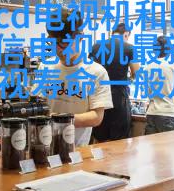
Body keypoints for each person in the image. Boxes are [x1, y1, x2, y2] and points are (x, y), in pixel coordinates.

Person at [43, 8, 114, 146]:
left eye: (64, 42)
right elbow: (40, 104)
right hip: (45, 145)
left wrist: (60, 119)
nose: (58, 49)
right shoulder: (45, 67)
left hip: (77, 149)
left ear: (80, 37)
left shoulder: (96, 72)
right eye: (52, 42)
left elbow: (96, 117)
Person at [90, 23, 139, 141]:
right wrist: (129, 79)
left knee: (99, 140)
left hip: (99, 99)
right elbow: (136, 73)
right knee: (120, 142)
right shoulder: (130, 48)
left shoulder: (96, 47)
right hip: (119, 99)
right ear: (126, 34)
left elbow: (88, 71)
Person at [144, 36, 174, 134]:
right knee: (171, 144)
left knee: (151, 144)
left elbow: (147, 93)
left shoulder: (148, 66)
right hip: (169, 115)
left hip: (152, 114)